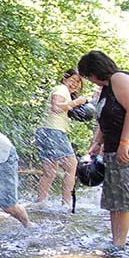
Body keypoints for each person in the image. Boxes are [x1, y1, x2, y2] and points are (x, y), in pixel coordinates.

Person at [78, 51, 129, 257]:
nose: (90, 80)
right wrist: (97, 142)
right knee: (115, 200)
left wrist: (125, 142)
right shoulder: (106, 89)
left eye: (88, 76)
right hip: (114, 150)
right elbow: (104, 120)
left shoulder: (120, 78)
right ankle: (118, 244)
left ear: (94, 72)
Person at [35, 69, 89, 206]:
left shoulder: (63, 91)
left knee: (50, 172)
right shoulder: (61, 89)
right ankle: (66, 204)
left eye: (78, 82)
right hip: (54, 131)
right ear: (65, 79)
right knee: (72, 166)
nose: (75, 84)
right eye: (73, 80)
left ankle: (41, 203)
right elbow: (56, 107)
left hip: (45, 131)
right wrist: (77, 102)